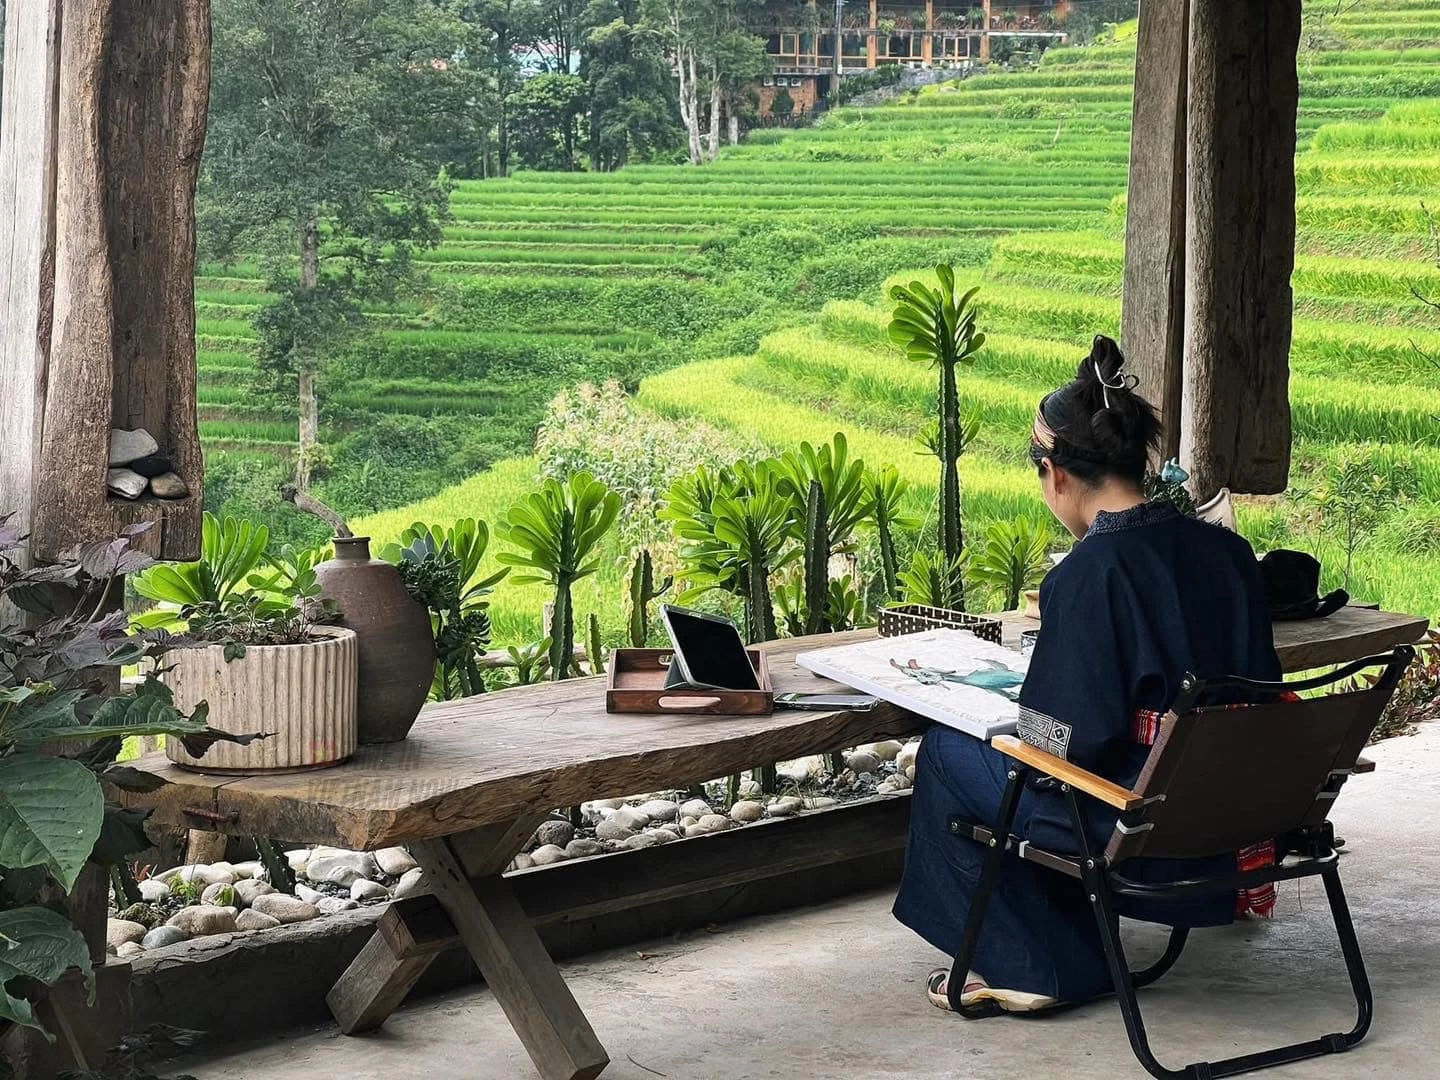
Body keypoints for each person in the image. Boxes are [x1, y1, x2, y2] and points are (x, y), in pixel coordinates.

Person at [893, 335, 1281, 1014]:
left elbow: (1060, 746)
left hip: (1145, 826)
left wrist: (1013, 708)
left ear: (1058, 475)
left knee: (952, 757)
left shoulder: (1089, 573)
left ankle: (1036, 964)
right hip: (1231, 812)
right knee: (1012, 763)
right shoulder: (1228, 550)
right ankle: (1060, 948)